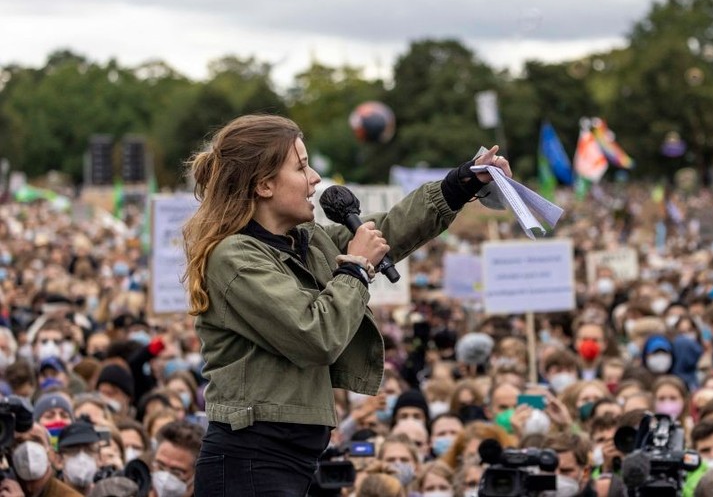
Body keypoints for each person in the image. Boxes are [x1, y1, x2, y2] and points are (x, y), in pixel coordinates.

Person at [183, 114, 512, 496]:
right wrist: (356, 269)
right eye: (301, 167)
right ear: (264, 185)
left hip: (291, 456)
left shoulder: (303, 239)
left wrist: (460, 184)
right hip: (251, 460)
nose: (315, 179)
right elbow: (315, 335)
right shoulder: (235, 257)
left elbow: (383, 231)